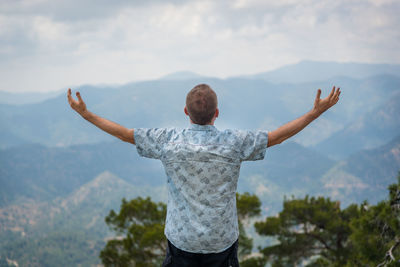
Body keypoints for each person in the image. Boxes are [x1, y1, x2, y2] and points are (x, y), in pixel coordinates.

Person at [67, 84, 340, 266]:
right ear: (216, 113)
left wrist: (86, 114)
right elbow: (277, 136)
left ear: (186, 112)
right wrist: (316, 112)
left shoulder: (167, 141)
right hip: (221, 244)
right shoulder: (234, 143)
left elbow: (125, 134)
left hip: (181, 243)